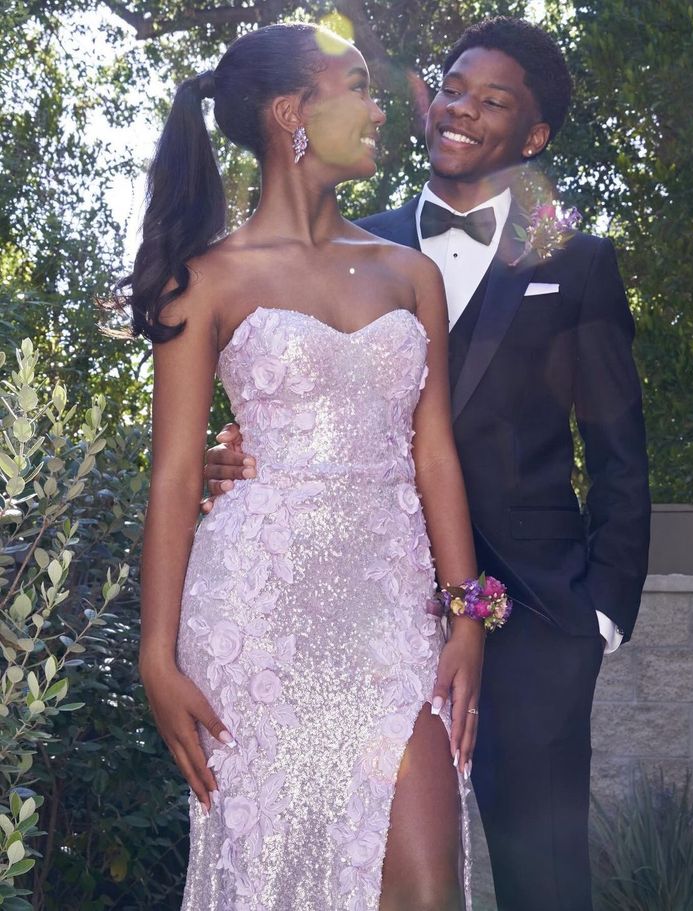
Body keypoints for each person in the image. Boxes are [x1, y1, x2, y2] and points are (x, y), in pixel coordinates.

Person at [205, 17, 651, 911]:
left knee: (545, 889)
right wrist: (235, 456)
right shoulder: (355, 240)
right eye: (451, 86)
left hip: (534, 620)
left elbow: (619, 453)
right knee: (368, 870)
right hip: (367, 605)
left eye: (494, 101)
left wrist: (598, 618)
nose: (460, 109)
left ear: (532, 137)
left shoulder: (577, 258)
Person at [129, 21, 491, 911]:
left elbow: (435, 453)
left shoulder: (411, 274)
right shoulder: (206, 278)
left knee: (427, 881)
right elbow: (176, 476)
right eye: (359, 87)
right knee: (279, 874)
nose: (381, 109)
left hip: (391, 611)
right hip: (259, 613)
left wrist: (469, 613)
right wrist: (155, 653)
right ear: (294, 112)